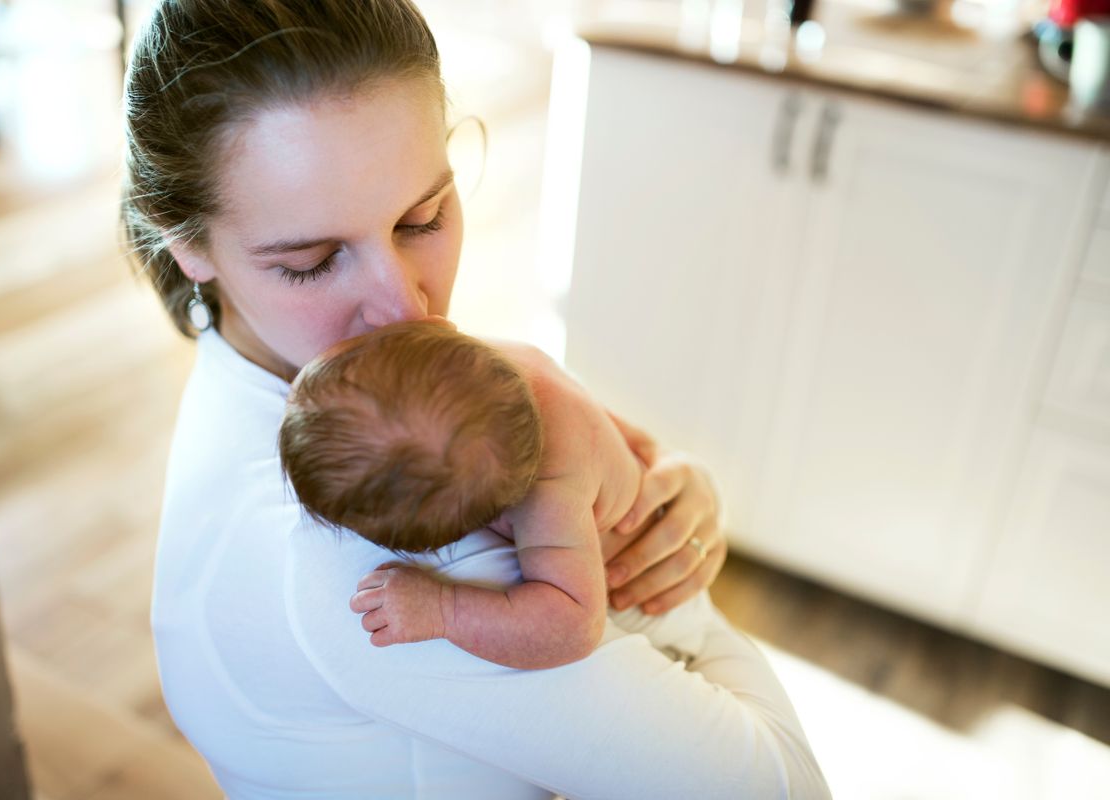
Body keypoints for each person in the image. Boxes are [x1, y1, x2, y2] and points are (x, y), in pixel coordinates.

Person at [126, 1, 830, 797]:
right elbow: (782, 785)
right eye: (315, 261)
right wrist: (689, 607)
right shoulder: (361, 545)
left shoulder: (301, 403)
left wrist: (675, 488)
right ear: (183, 240)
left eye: (422, 218)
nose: (405, 310)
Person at [281, 317, 656, 669]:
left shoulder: (551, 491)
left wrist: (444, 610)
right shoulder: (478, 365)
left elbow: (574, 627)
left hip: (647, 592)